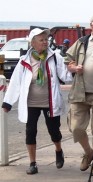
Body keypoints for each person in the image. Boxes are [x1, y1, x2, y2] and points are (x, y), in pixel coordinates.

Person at [2, 28, 72, 174]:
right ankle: (32, 163)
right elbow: (15, 82)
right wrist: (8, 102)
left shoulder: (54, 57)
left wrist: (73, 71)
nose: (45, 42)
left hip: (50, 102)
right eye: (41, 40)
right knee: (30, 132)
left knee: (54, 131)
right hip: (31, 103)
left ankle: (58, 150)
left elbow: (65, 76)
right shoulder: (24, 61)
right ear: (33, 43)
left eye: (46, 40)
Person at [66, 13, 93, 176]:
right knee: (76, 127)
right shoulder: (82, 42)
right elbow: (68, 60)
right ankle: (88, 152)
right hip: (80, 91)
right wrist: (73, 67)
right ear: (92, 25)